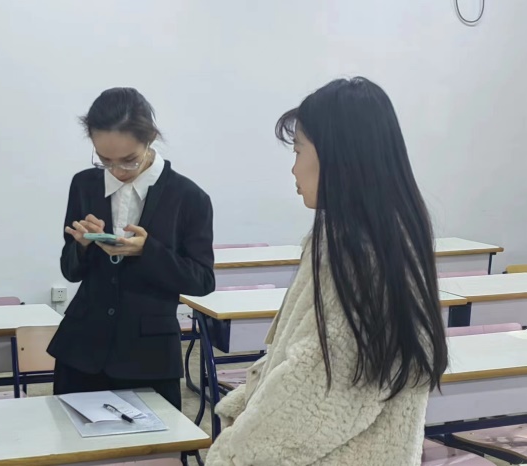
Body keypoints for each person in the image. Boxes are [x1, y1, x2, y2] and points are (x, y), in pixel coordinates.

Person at [207, 77, 448, 465]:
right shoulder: (380, 234)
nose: (293, 169)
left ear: (338, 156)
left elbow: (318, 390)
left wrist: (233, 453)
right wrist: (250, 403)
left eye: (298, 150)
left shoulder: (358, 252)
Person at [47, 87, 215, 410]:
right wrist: (81, 247)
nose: (116, 171)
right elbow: (70, 270)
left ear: (150, 139)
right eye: (104, 160)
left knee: (157, 441)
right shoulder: (84, 184)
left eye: (128, 160)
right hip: (81, 350)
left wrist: (148, 251)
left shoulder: (189, 197)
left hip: (149, 357)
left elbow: (203, 280)